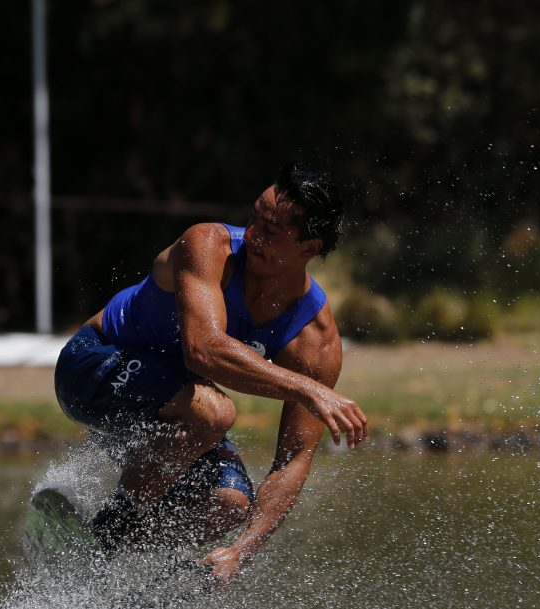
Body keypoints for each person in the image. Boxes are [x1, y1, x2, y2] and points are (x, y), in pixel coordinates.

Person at [54, 162, 368, 585]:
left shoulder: (315, 339)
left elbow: (294, 457)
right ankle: (101, 544)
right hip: (93, 367)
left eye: (272, 230)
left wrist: (242, 549)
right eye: (256, 216)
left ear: (308, 248)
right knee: (213, 413)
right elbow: (204, 350)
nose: (254, 232)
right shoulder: (209, 245)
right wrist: (309, 391)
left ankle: (96, 566)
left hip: (169, 405)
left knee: (228, 504)